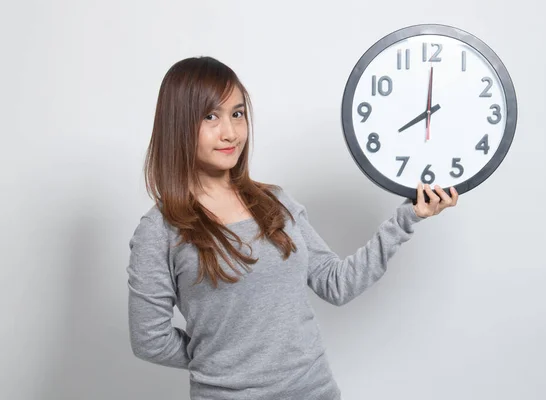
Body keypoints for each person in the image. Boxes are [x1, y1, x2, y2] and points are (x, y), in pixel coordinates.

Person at [126, 56, 458, 400]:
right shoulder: (160, 229)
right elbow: (149, 340)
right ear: (178, 124)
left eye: (237, 114)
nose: (230, 132)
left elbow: (336, 283)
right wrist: (218, 360)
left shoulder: (275, 202)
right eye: (211, 116)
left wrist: (408, 217)